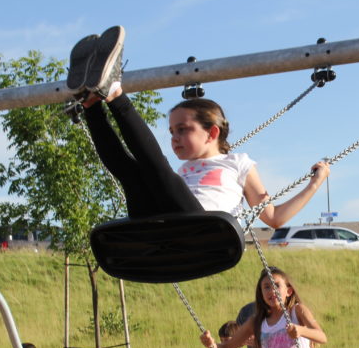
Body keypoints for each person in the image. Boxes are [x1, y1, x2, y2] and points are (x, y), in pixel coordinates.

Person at [67, 26, 330, 228]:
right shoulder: (185, 171)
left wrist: (315, 184)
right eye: (171, 132)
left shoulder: (238, 164)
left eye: (183, 129)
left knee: (156, 169)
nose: (175, 138)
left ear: (212, 133)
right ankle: (92, 104)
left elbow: (273, 218)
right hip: (161, 224)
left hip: (206, 229)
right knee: (131, 173)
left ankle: (113, 92)